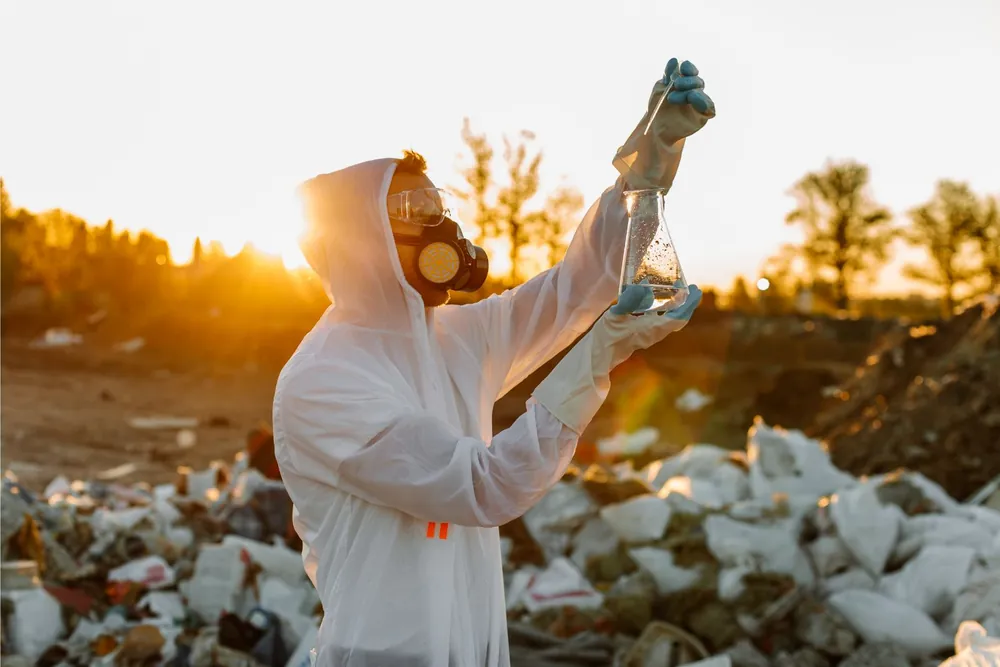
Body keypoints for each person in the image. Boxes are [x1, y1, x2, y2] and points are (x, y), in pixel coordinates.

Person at [274, 58, 715, 666]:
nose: (446, 227)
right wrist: (599, 357)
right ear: (361, 243)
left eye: (440, 205)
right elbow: (485, 487)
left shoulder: (451, 337)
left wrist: (644, 173)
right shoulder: (324, 382)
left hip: (473, 649)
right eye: (418, 212)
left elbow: (576, 287)